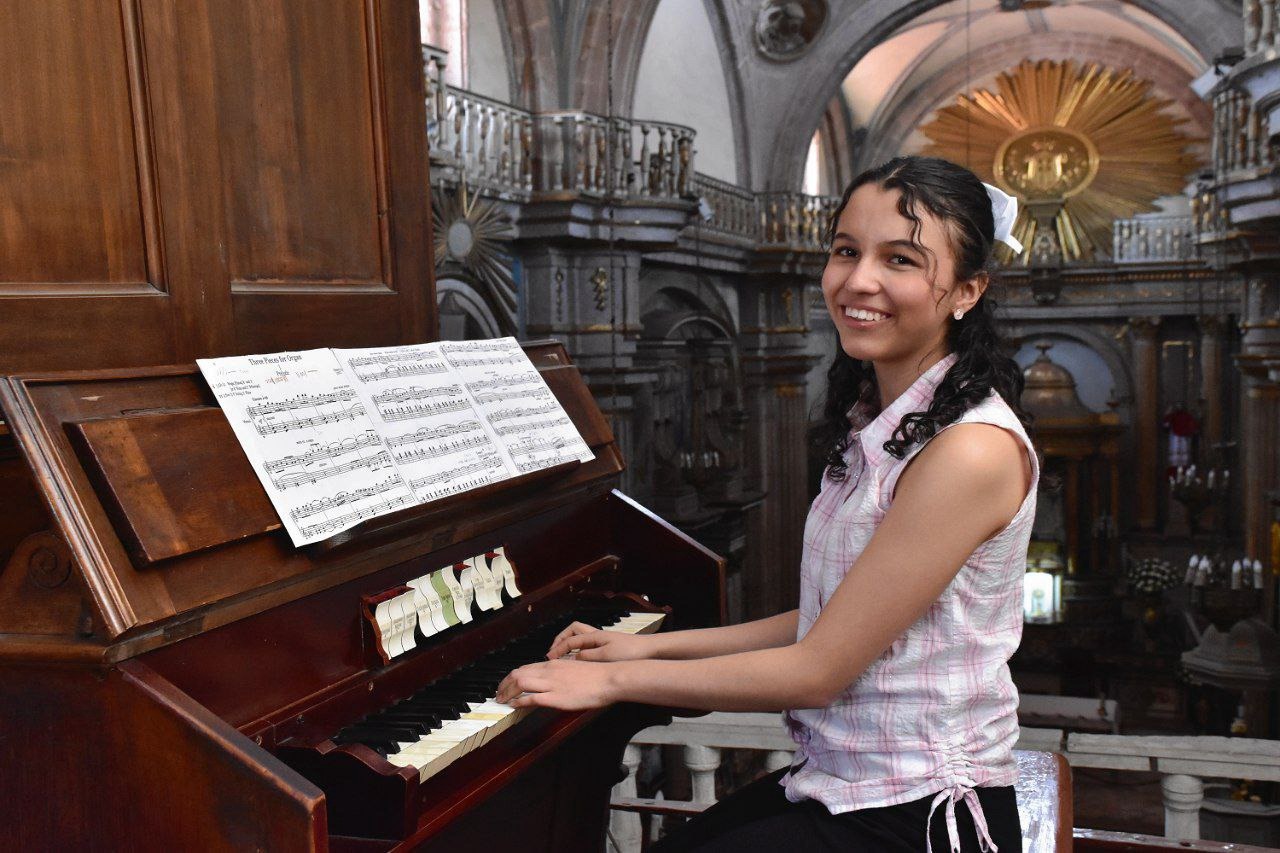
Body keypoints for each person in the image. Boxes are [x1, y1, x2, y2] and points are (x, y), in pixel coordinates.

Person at [495, 155, 1038, 852]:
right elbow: (827, 622)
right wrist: (646, 647)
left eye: (900, 259)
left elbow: (818, 670)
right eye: (847, 251)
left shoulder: (970, 450)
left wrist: (614, 682)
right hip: (846, 782)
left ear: (967, 290)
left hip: (922, 812)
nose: (858, 280)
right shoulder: (886, 421)